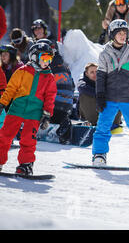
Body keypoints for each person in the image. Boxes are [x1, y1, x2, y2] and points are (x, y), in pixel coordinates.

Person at [92, 19, 129, 167]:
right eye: (119, 33)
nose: (123, 35)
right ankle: (99, 154)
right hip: (109, 98)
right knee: (103, 127)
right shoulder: (104, 54)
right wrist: (100, 96)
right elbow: (100, 77)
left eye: (125, 33)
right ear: (112, 34)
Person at [0, 42, 57, 175]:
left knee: (28, 139)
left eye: (49, 59)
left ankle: (25, 165)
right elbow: (11, 89)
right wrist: (2, 103)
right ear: (34, 57)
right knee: (4, 135)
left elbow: (50, 97)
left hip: (34, 112)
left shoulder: (49, 77)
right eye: (44, 58)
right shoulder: (22, 71)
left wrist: (47, 114)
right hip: (17, 109)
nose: (47, 62)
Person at [36, 39, 75, 144]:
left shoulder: (45, 65)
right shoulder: (64, 66)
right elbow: (73, 85)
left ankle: (37, 124)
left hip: (51, 105)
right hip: (67, 106)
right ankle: (63, 122)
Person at [77, 62, 122, 130]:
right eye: (92, 72)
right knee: (86, 95)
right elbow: (82, 87)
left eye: (96, 72)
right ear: (86, 74)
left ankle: (113, 122)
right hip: (90, 116)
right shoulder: (83, 83)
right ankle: (91, 122)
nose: (95, 74)